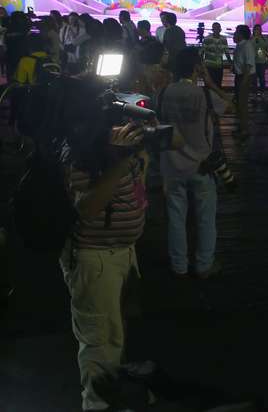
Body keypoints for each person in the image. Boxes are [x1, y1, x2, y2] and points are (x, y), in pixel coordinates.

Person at [60, 88, 152, 411]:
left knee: (121, 339)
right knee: (100, 345)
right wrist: (124, 159)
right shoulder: (81, 154)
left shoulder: (116, 149)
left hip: (122, 253)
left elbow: (136, 191)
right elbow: (88, 207)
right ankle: (97, 405)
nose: (123, 126)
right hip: (95, 259)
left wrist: (141, 152)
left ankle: (117, 400)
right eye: (116, 120)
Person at [158, 47, 232, 278]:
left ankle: (179, 265)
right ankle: (203, 264)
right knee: (206, 218)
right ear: (196, 67)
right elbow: (229, 103)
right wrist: (210, 83)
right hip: (202, 165)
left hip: (171, 165)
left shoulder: (163, 93)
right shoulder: (204, 95)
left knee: (176, 218)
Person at [232, 24, 255, 139]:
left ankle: (244, 129)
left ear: (241, 34)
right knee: (239, 104)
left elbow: (248, 66)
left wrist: (243, 83)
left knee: (242, 104)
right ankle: (241, 127)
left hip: (244, 77)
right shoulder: (240, 45)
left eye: (236, 32)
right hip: (239, 76)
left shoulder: (247, 46)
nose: (234, 35)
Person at [135, 20, 166, 95]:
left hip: (146, 69)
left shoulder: (144, 42)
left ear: (143, 29)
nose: (136, 30)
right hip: (153, 69)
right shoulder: (154, 40)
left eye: (138, 28)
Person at [201, 22, 229, 88]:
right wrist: (202, 64)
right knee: (209, 84)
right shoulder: (207, 39)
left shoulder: (224, 39)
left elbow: (226, 51)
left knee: (218, 84)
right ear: (212, 29)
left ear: (220, 29)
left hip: (219, 66)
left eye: (217, 28)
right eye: (215, 28)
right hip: (209, 66)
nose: (216, 30)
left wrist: (230, 63)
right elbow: (202, 52)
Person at [252, 24, 268, 92]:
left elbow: (267, 48)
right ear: (253, 30)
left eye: (259, 29)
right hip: (253, 62)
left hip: (262, 61)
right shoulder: (251, 39)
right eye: (256, 29)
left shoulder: (264, 39)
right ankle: (255, 93)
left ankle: (263, 92)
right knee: (254, 79)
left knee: (262, 78)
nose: (257, 31)